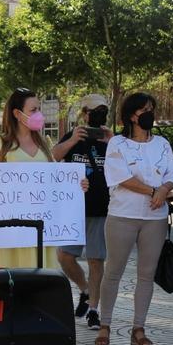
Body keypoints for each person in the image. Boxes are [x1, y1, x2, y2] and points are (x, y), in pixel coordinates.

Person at [95, 92, 173, 345]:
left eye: (151, 108)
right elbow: (120, 177)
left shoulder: (162, 143)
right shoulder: (117, 143)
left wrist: (164, 191)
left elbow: (172, 175)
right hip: (123, 215)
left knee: (146, 275)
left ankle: (139, 329)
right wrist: (152, 192)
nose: (149, 113)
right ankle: (104, 325)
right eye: (143, 109)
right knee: (113, 272)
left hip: (154, 219)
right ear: (130, 115)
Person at [0, 88, 87, 269]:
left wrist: (78, 184)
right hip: (12, 233)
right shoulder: (0, 142)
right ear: (17, 113)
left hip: (42, 231)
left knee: (41, 284)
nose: (39, 114)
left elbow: (56, 179)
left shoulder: (43, 143)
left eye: (39, 109)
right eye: (33, 110)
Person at [52, 94, 112, 331]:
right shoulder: (74, 136)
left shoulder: (111, 139)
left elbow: (128, 165)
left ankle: (94, 310)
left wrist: (112, 142)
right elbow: (53, 156)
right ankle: (85, 290)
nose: (99, 115)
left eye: (103, 111)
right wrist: (72, 139)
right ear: (85, 113)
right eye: (95, 111)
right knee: (65, 256)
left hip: (102, 209)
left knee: (96, 259)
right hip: (73, 208)